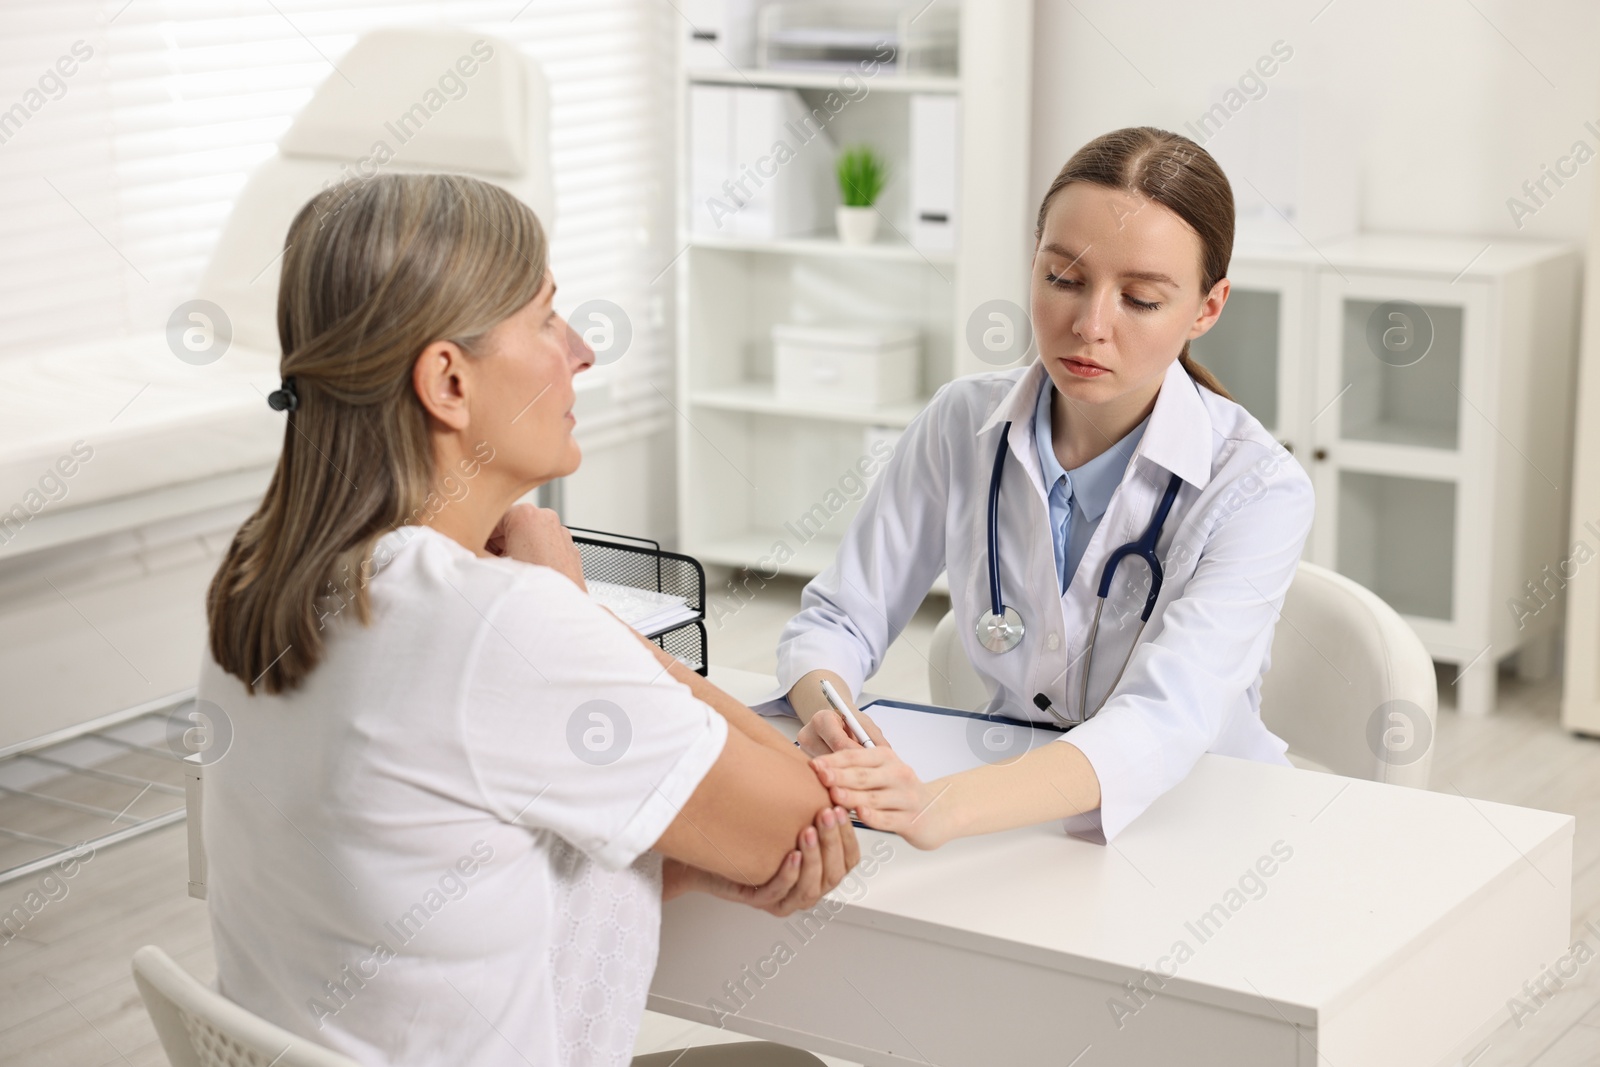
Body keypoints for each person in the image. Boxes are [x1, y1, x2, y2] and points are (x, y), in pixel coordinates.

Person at [198, 172, 853, 1067]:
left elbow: (416, 884)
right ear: (449, 381)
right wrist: (576, 611)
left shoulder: (262, 576)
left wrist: (661, 846)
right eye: (547, 318)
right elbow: (805, 814)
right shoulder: (499, 624)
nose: (581, 350)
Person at [780, 127, 1316, 846]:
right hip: (1018, 811)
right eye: (1063, 279)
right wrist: (829, 711)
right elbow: (836, 621)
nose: (1088, 325)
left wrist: (944, 809)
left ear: (1206, 308)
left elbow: (1164, 717)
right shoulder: (961, 422)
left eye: (1142, 298)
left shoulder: (1259, 486)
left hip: (1200, 824)